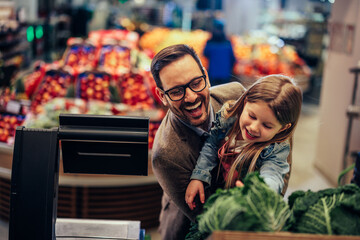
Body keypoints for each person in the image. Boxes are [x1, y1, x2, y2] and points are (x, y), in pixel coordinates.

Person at [150, 44, 245, 240]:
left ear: (206, 77)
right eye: (176, 91)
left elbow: (277, 140)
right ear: (162, 96)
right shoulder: (166, 154)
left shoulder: (237, 97)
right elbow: (207, 219)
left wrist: (269, 194)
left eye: (196, 83)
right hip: (190, 228)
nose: (191, 97)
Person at [185, 74, 302, 210]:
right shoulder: (227, 119)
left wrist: (260, 191)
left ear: (283, 128)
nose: (253, 127)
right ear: (246, 102)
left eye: (267, 126)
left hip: (247, 208)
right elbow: (211, 145)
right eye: (252, 116)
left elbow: (273, 174)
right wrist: (199, 176)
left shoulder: (276, 149)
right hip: (219, 200)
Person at [204, 20, 236, 86]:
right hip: (225, 74)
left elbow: (205, 53)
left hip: (213, 74)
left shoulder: (210, 43)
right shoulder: (227, 43)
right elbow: (233, 58)